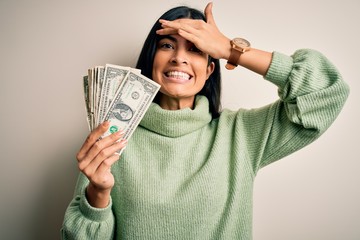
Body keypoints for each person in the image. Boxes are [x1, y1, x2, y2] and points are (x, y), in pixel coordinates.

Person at [61, 2, 349, 239]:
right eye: (167, 45)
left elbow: (327, 90)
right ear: (150, 62)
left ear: (210, 70)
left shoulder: (241, 135)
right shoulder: (112, 137)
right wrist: (97, 195)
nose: (179, 59)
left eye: (196, 49)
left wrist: (231, 50)